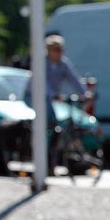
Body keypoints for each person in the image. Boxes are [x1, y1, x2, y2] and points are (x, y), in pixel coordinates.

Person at [24, 34, 89, 174]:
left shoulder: (63, 64)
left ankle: (51, 156)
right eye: (55, 50)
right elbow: (41, 82)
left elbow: (74, 78)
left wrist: (85, 93)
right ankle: (39, 149)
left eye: (60, 50)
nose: (59, 53)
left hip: (49, 97)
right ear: (48, 50)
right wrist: (54, 94)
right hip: (33, 95)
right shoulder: (41, 63)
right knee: (49, 118)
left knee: (56, 125)